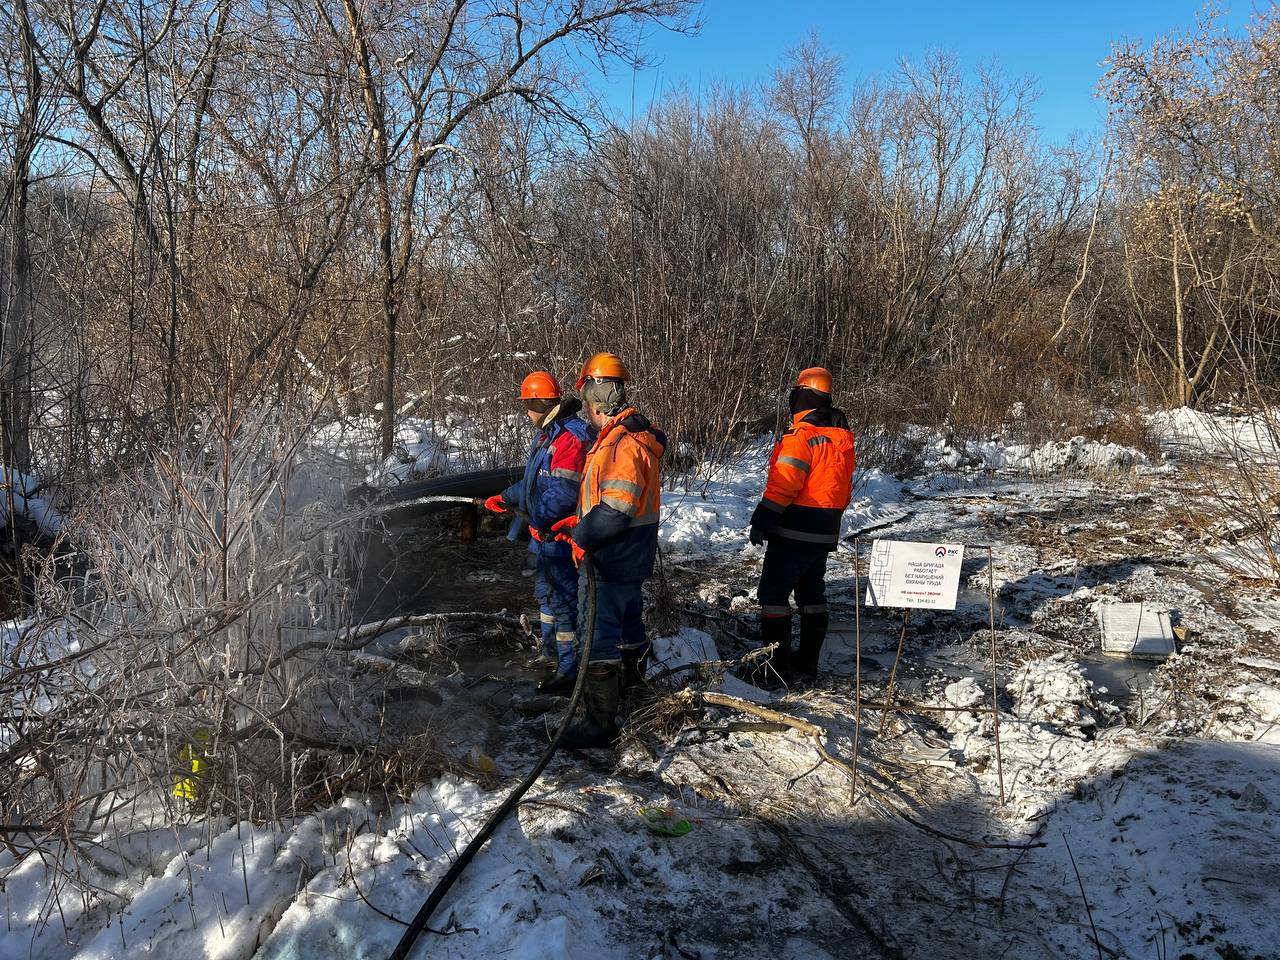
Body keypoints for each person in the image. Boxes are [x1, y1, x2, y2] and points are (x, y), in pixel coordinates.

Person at [551, 352, 665, 749]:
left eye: (584, 392)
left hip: (613, 555)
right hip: (630, 554)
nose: (582, 401)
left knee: (597, 634)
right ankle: (633, 687)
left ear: (597, 393)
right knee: (629, 623)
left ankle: (600, 724)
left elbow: (616, 509)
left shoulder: (622, 445)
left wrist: (583, 537)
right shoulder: (625, 439)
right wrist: (579, 521)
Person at [748, 367, 856, 687]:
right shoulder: (841, 438)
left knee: (773, 595)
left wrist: (762, 519)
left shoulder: (801, 437)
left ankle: (776, 670)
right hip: (825, 530)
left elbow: (784, 485)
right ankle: (807, 664)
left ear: (801, 396)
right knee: (812, 593)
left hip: (794, 529)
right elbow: (843, 488)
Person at [483, 371, 590, 695]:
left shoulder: (570, 437)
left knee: (563, 601)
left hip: (559, 537)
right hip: (543, 536)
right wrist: (505, 497)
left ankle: (569, 670)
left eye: (527, 406)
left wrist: (539, 521)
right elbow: (534, 481)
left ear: (540, 403)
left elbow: (562, 494)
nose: (526, 413)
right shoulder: (548, 434)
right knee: (545, 594)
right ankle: (550, 652)